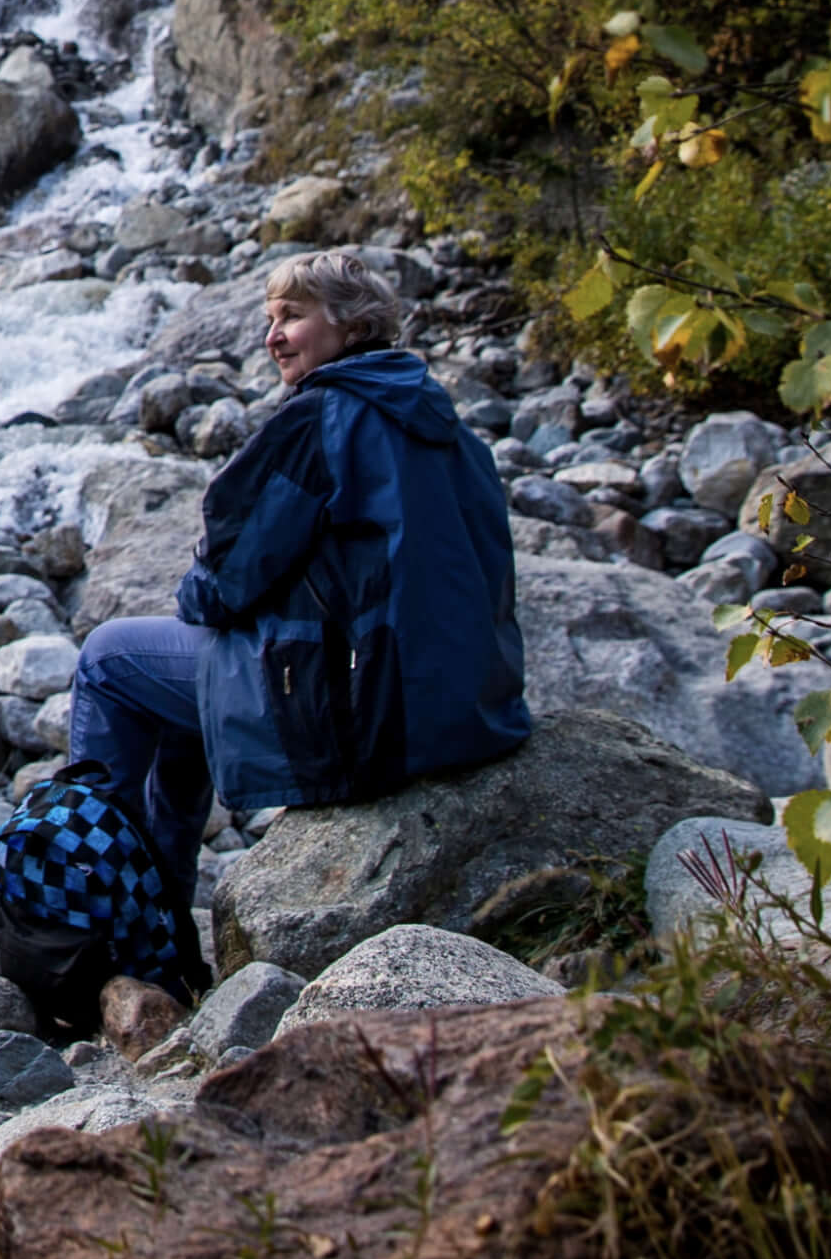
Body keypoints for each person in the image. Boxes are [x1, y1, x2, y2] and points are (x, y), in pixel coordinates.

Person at [57, 246, 530, 970]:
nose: (273, 335)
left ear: (350, 326)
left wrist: (203, 602)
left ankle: (107, 918)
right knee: (191, 686)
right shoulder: (442, 421)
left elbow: (224, 579)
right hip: (466, 707)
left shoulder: (321, 418)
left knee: (112, 659)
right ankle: (157, 924)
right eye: (269, 318)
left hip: (369, 717)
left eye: (293, 317)